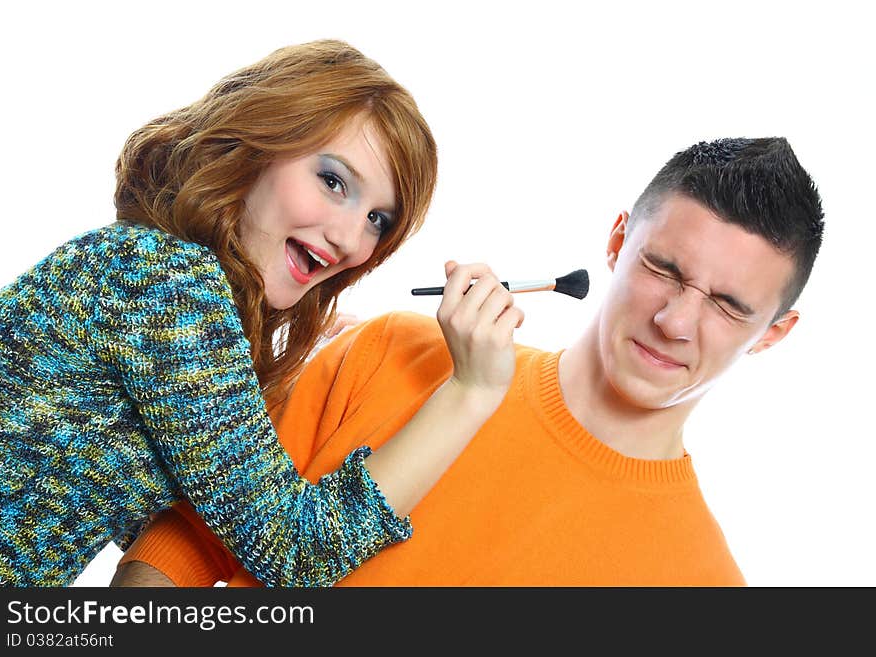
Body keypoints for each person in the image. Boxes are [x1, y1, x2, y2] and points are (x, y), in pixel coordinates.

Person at [115, 135, 824, 587]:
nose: (675, 321)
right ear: (616, 242)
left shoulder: (703, 584)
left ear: (773, 332)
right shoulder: (391, 350)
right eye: (663, 268)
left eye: (728, 305)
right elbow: (186, 543)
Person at [0, 40, 527, 587]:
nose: (348, 237)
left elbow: (119, 504)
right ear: (258, 141)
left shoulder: (148, 269)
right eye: (333, 181)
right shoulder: (167, 282)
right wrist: (472, 390)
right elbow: (292, 551)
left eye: (378, 219)